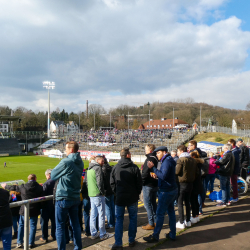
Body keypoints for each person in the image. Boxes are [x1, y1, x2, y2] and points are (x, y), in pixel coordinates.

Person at [51, 141, 84, 250]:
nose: (65, 151)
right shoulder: (80, 162)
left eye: (66, 149)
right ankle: (78, 247)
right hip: (75, 197)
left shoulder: (66, 161)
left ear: (71, 150)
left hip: (63, 197)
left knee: (60, 226)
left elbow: (53, 175)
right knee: (75, 225)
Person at [143, 146, 178, 243]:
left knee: (159, 214)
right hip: (171, 189)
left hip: (166, 191)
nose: (157, 155)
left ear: (164, 152)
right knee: (171, 212)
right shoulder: (169, 160)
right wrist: (157, 175)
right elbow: (164, 175)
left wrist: (153, 168)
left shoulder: (166, 161)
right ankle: (172, 234)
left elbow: (163, 175)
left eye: (158, 153)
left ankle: (155, 236)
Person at [110, 148, 142, 249]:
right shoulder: (134, 167)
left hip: (120, 197)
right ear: (127, 155)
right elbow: (139, 184)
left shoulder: (116, 168)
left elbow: (112, 183)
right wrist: (136, 193)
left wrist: (117, 193)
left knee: (119, 220)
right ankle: (131, 240)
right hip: (131, 197)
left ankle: (119, 243)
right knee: (132, 218)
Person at [2, 174, 43, 249]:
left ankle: (19, 242)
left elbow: (13, 187)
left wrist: (5, 186)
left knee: (21, 225)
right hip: (34, 209)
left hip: (24, 209)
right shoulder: (39, 187)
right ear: (36, 179)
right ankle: (31, 243)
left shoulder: (23, 186)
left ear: (28, 179)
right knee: (33, 226)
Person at [84, 155, 113, 240]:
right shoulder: (97, 168)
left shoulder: (89, 168)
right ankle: (103, 233)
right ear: (97, 160)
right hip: (98, 194)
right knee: (101, 214)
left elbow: (87, 182)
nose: (103, 162)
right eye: (102, 161)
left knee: (93, 214)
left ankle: (93, 233)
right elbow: (99, 181)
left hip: (91, 194)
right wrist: (102, 192)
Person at [175, 145, 197, 229]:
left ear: (181, 151)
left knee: (180, 203)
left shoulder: (181, 160)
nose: (177, 153)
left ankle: (181, 222)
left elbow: (177, 172)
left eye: (178, 151)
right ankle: (188, 221)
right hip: (190, 183)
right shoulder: (192, 160)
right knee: (187, 202)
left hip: (182, 183)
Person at [141, 144, 158, 230]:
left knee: (148, 204)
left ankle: (151, 223)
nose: (145, 150)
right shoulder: (155, 158)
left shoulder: (150, 158)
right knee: (153, 203)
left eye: (146, 149)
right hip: (154, 184)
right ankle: (155, 221)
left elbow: (145, 172)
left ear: (150, 149)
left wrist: (142, 182)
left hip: (148, 184)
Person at [40, 169, 56, 243]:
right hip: (55, 204)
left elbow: (43, 195)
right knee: (54, 221)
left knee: (44, 222)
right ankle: (53, 235)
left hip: (46, 205)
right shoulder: (57, 181)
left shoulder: (46, 183)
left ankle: (44, 237)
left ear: (48, 175)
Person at [102, 157, 115, 229]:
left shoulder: (103, 169)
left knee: (108, 208)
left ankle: (110, 223)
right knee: (112, 206)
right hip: (111, 190)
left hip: (106, 191)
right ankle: (113, 222)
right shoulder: (111, 168)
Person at [190, 151, 203, 224]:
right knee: (195, 200)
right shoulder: (199, 163)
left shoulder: (194, 164)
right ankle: (197, 215)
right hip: (198, 184)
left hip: (194, 184)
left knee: (193, 201)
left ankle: (194, 216)